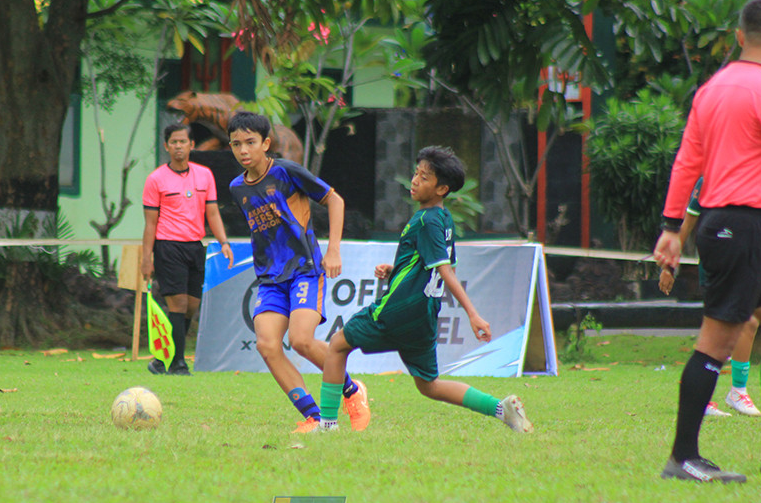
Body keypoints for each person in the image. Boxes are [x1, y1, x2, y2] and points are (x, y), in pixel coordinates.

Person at [654, 0, 761, 483]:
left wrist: (672, 228)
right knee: (716, 343)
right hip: (744, 226)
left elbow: (686, 163)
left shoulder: (711, 90)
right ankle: (683, 457)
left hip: (727, 225)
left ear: (740, 37)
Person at [316, 146, 533, 433]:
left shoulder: (425, 220)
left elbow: (445, 271)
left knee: (337, 345)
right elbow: (441, 268)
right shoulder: (443, 220)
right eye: (416, 173)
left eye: (425, 177)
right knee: (429, 385)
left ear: (442, 188)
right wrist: (395, 272)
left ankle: (328, 425)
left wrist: (473, 314)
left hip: (397, 310)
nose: (415, 180)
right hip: (423, 317)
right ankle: (501, 409)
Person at [226, 110, 370, 433]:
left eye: (250, 142)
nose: (243, 150)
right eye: (236, 144)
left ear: (266, 143)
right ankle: (314, 416)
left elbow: (334, 200)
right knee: (267, 345)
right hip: (269, 280)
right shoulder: (237, 188)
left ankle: (352, 391)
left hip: (305, 269)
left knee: (301, 340)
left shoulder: (287, 172)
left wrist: (333, 249)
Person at [659, 177, 761, 417]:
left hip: (744, 261)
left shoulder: (751, 174)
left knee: (749, 324)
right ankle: (702, 398)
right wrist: (669, 267)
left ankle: (737, 391)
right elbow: (687, 224)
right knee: (720, 332)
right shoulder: (709, 177)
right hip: (717, 263)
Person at [142, 123, 234, 375]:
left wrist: (224, 241)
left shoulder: (204, 175)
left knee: (191, 305)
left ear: (192, 145)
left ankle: (161, 359)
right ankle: (178, 363)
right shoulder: (156, 179)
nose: (178, 146)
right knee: (178, 303)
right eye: (173, 142)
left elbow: (212, 212)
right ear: (166, 146)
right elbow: (150, 223)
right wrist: (146, 258)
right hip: (167, 246)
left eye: (183, 141)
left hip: (195, 247)